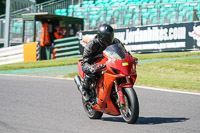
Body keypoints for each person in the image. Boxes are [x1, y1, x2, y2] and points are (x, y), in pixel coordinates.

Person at [81, 24, 122, 101]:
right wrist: (90, 67)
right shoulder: (92, 45)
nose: (109, 40)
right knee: (90, 74)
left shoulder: (116, 42)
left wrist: (131, 58)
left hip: (108, 62)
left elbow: (124, 54)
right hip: (95, 64)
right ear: (100, 37)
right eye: (106, 38)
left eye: (110, 36)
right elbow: (85, 62)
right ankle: (85, 90)